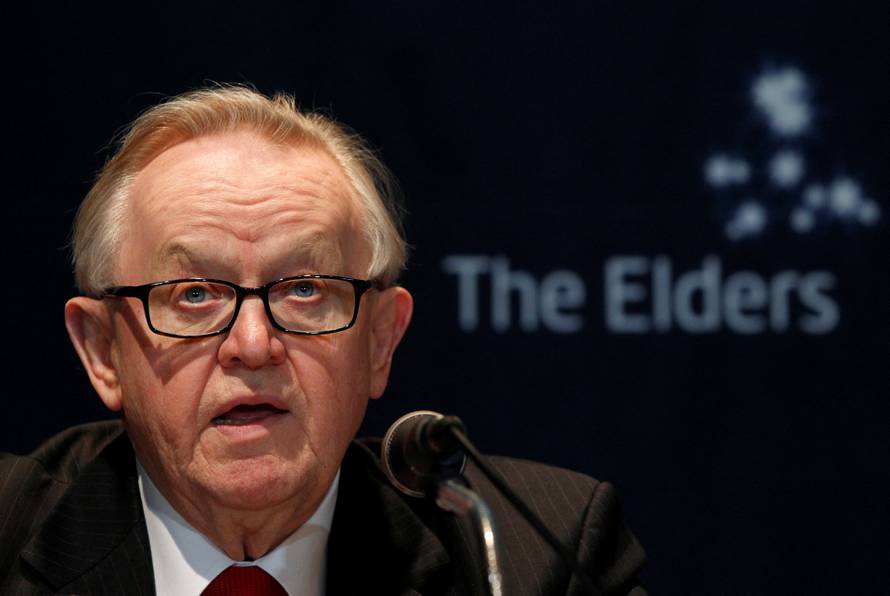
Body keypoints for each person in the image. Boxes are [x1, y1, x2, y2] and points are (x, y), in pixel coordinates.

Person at [0, 86, 646, 595]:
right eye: (194, 294)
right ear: (101, 351)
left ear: (381, 341)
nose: (253, 345)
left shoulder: (532, 554)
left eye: (305, 289)